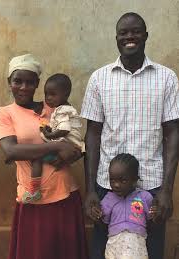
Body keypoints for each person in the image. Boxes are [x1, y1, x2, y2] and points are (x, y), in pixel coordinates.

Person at [81, 12, 179, 259]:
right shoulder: (99, 79)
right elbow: (92, 136)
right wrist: (91, 189)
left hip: (151, 186)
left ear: (145, 36)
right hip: (108, 185)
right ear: (116, 38)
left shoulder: (166, 78)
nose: (129, 37)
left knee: (151, 251)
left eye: (135, 31)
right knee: (104, 251)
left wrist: (167, 189)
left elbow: (173, 134)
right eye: (123, 33)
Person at [0, 53, 88, 259]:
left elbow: (74, 145)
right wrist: (55, 146)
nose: (24, 87)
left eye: (30, 82)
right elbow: (12, 150)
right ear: (9, 82)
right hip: (33, 199)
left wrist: (70, 150)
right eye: (18, 81)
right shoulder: (4, 114)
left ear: (37, 84)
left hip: (65, 194)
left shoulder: (55, 108)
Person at [22, 73, 85, 203]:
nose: (48, 98)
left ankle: (34, 190)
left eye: (52, 94)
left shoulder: (62, 110)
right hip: (67, 145)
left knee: (36, 157)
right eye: (46, 94)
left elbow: (64, 129)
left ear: (66, 94)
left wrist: (50, 135)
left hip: (66, 143)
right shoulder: (62, 108)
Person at [92, 153, 154, 259]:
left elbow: (152, 221)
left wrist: (155, 214)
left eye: (123, 180)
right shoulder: (108, 199)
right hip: (114, 246)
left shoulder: (144, 197)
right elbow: (103, 224)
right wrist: (97, 215)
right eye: (112, 180)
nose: (116, 185)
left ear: (135, 180)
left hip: (136, 247)